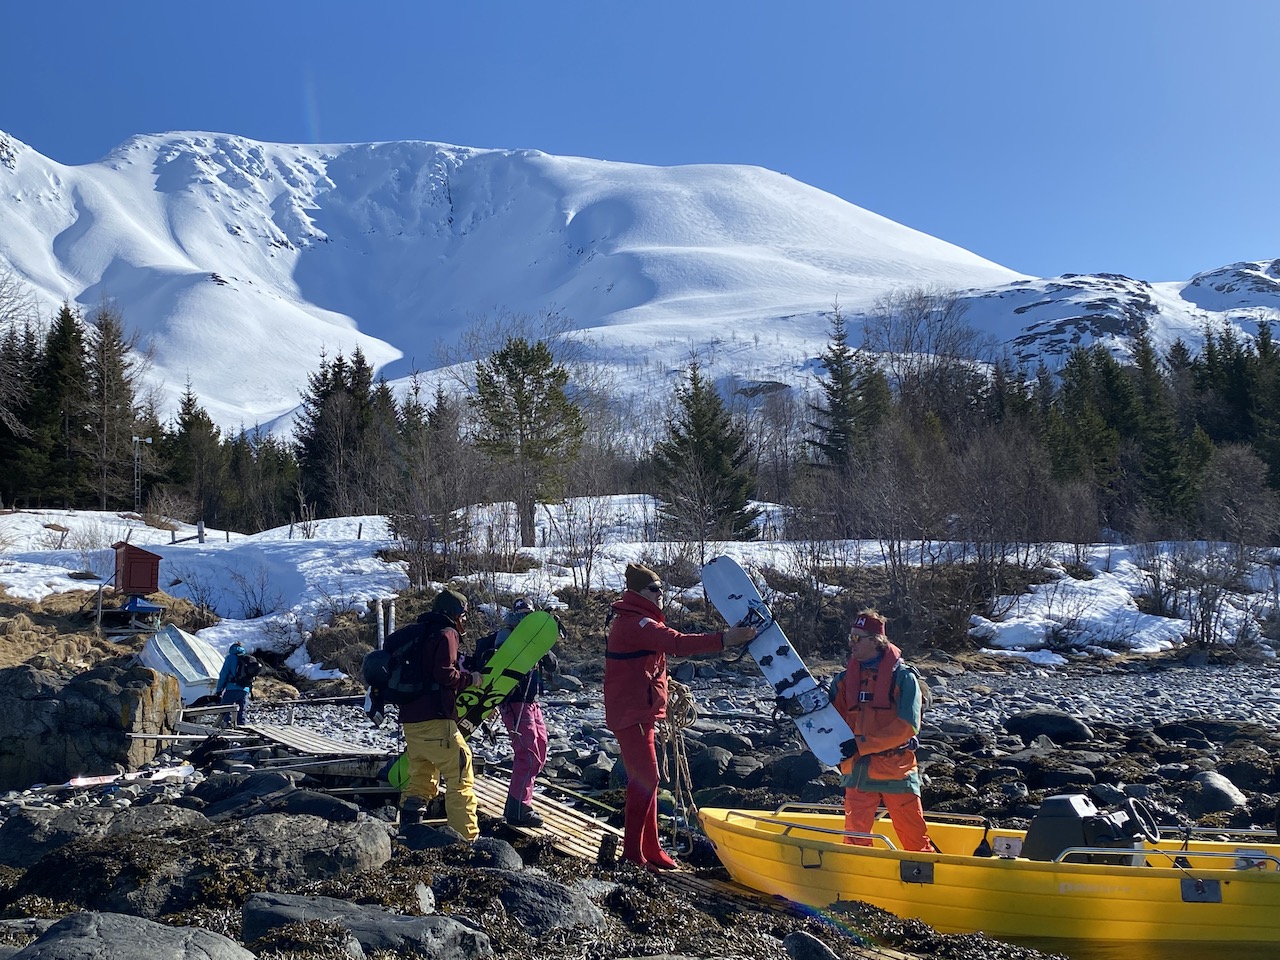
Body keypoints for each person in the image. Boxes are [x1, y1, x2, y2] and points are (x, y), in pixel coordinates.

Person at [604, 562, 756, 870]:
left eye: (662, 588)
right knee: (647, 778)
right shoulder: (638, 624)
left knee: (645, 779)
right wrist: (725, 639)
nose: (661, 594)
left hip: (640, 710)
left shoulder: (639, 620)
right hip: (630, 713)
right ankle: (633, 852)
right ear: (637, 592)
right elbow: (677, 643)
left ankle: (651, 847)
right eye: (654, 589)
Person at [831, 609, 936, 853]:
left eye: (857, 638)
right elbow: (832, 719)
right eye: (850, 637)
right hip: (858, 771)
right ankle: (859, 882)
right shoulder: (844, 680)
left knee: (915, 841)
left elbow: (907, 726)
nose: (851, 644)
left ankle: (927, 883)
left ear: (876, 641)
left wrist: (861, 745)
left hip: (896, 770)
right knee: (855, 842)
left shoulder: (904, 678)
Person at [399, 587, 483, 840]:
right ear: (455, 614)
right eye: (464, 615)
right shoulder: (447, 634)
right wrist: (470, 679)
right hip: (437, 719)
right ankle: (466, 840)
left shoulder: (417, 632)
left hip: (411, 720)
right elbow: (445, 673)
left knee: (420, 779)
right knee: (461, 776)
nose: (465, 620)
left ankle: (409, 835)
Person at [474, 596, 559, 826]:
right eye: (521, 613)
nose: (524, 616)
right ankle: (517, 809)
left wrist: (545, 641)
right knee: (528, 755)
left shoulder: (534, 637)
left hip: (530, 701)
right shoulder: (504, 635)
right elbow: (502, 661)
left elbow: (552, 665)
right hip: (514, 703)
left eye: (527, 613)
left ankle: (522, 803)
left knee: (539, 753)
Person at [215, 641, 253, 727]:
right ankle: (241, 726)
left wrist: (219, 690)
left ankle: (226, 725)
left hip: (232, 688)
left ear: (231, 649)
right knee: (242, 710)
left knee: (225, 708)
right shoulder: (247, 658)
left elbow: (223, 674)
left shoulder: (230, 658)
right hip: (245, 689)